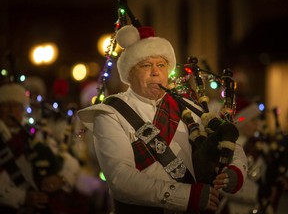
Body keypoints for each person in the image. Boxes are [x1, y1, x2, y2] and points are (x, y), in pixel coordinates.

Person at [78, 24, 248, 214]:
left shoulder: (189, 106)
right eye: (146, 65)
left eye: (161, 65)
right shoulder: (110, 113)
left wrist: (235, 171)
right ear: (129, 73)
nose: (155, 72)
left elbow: (227, 139)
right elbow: (120, 178)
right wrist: (187, 196)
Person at [0, 82, 81, 214]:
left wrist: (61, 179)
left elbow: (70, 162)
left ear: (22, 109)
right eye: (6, 105)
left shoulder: (35, 133)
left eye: (16, 105)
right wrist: (23, 197)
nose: (11, 110)